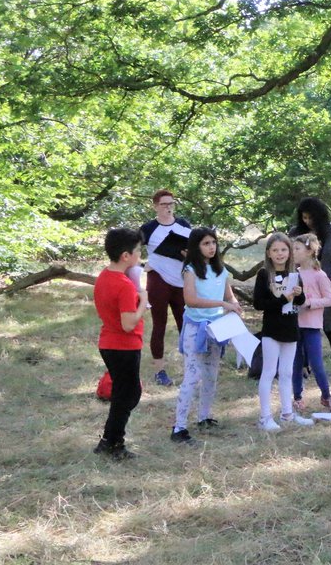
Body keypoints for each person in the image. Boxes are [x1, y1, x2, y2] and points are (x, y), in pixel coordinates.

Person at [171, 227, 240, 445]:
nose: (211, 247)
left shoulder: (220, 270)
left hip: (217, 327)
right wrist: (221, 304)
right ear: (196, 247)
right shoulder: (190, 270)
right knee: (192, 375)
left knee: (212, 374)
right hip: (196, 328)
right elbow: (190, 300)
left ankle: (205, 416)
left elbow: (230, 295)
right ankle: (179, 426)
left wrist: (235, 307)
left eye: (213, 243)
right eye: (206, 243)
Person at [94, 227, 149, 459]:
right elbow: (128, 324)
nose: (140, 255)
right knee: (127, 396)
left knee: (123, 394)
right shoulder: (124, 285)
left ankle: (110, 441)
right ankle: (113, 443)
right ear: (126, 256)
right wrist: (142, 302)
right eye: (138, 250)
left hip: (109, 343)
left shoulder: (104, 276)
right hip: (123, 345)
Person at [252, 232, 315, 431]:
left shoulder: (295, 274)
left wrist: (299, 294)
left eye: (284, 249)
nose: (280, 254)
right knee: (269, 372)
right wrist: (283, 299)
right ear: (269, 253)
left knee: (287, 372)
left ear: (289, 252)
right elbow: (258, 303)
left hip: (290, 328)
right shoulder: (264, 274)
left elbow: (301, 302)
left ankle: (287, 413)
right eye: (275, 250)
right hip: (272, 330)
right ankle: (265, 417)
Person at [290, 198, 331, 384]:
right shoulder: (296, 233)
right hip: (302, 285)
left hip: (325, 285)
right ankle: (303, 366)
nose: (308, 221)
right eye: (304, 218)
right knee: (303, 327)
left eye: (311, 218)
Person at [140, 189, 192, 387]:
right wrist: (142, 266)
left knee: (185, 324)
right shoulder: (148, 228)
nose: (168, 207)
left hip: (181, 280)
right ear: (155, 206)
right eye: (164, 204)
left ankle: (190, 367)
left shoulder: (184, 225)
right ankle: (159, 370)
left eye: (171, 203)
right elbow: (133, 250)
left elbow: (196, 249)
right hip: (158, 279)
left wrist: (188, 254)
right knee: (159, 324)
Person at [291, 233, 331, 412]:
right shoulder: (293, 274)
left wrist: (310, 303)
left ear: (310, 251)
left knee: (316, 362)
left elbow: (329, 299)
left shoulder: (320, 275)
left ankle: (326, 396)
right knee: (296, 362)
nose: (293, 252)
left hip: (311, 326)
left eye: (296, 248)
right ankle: (297, 397)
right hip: (295, 325)